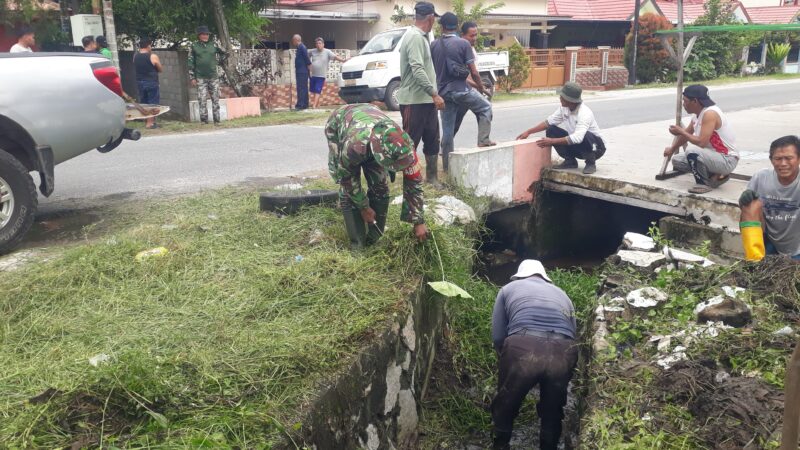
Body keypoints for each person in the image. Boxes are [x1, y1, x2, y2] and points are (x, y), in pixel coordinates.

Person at [491, 259, 578, 450]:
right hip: (563, 351)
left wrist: (507, 362)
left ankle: (501, 444)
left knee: (507, 401)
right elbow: (573, 333)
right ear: (544, 277)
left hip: (523, 347)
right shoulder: (563, 294)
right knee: (552, 409)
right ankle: (549, 445)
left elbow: (498, 336)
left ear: (520, 275)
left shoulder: (508, 289)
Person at [325, 104, 428, 249]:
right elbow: (347, 178)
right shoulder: (354, 147)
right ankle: (357, 244)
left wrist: (418, 220)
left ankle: (374, 239)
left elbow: (414, 183)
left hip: (374, 128)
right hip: (340, 122)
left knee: (380, 186)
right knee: (348, 192)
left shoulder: (405, 148)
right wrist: (364, 207)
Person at [430, 13, 492, 173]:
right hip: (460, 90)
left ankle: (446, 168)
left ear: (441, 27)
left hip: (443, 93)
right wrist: (481, 87)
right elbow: (474, 73)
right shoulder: (463, 44)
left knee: (448, 132)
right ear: (457, 27)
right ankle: (484, 140)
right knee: (485, 107)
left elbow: (432, 71)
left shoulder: (434, 45)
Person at [397, 2, 446, 184]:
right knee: (410, 143)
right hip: (414, 100)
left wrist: (432, 96)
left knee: (433, 139)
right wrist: (434, 93)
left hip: (426, 100)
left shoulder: (422, 36)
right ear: (431, 17)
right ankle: (409, 183)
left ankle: (431, 179)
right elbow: (417, 69)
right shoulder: (415, 37)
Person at [664, 84, 738, 194]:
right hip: (711, 157)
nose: (684, 105)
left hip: (726, 159)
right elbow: (686, 135)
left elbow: (701, 142)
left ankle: (703, 184)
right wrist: (672, 148)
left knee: (692, 151)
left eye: (685, 101)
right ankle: (716, 177)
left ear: (695, 101)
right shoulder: (696, 115)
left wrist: (680, 131)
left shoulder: (710, 114)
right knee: (677, 160)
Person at [516, 82, 605, 174]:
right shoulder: (564, 108)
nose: (560, 98)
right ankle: (570, 161)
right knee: (551, 130)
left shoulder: (584, 113)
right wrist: (529, 132)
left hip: (596, 148)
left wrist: (551, 141)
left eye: (562, 97)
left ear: (569, 100)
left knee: (584, 135)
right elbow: (548, 122)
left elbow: (578, 138)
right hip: (578, 146)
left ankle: (591, 163)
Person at [739, 135, 800, 262]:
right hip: (769, 241)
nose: (783, 163)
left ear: (798, 159)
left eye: (789, 158)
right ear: (771, 160)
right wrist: (743, 200)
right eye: (778, 158)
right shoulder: (761, 177)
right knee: (750, 204)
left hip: (796, 247)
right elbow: (746, 211)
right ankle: (755, 261)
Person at [189, 26, 227, 125]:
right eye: (203, 34)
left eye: (207, 34)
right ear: (199, 35)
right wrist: (192, 77)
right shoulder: (194, 46)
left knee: (215, 98)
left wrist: (219, 61)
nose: (206, 36)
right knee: (202, 99)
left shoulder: (214, 44)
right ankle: (204, 120)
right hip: (200, 77)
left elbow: (225, 53)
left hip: (213, 76)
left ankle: (217, 120)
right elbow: (190, 62)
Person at [309, 37, 348, 109]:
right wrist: (308, 64)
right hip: (313, 74)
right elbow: (306, 55)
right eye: (317, 43)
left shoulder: (327, 52)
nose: (318, 45)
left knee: (317, 90)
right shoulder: (313, 51)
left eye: (320, 43)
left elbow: (335, 57)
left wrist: (343, 60)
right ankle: (317, 105)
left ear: (323, 44)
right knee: (314, 90)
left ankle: (314, 106)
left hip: (321, 75)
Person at [134, 37, 163, 129]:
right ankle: (150, 123)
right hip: (151, 82)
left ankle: (147, 121)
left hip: (140, 82)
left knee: (144, 102)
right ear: (148, 46)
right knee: (153, 102)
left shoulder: (135, 56)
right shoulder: (152, 56)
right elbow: (160, 69)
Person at [292, 34, 312, 110]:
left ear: (296, 40)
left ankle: (301, 105)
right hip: (300, 71)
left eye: (293, 40)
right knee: (303, 88)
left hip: (302, 72)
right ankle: (304, 104)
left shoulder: (302, 47)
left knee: (301, 88)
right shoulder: (299, 47)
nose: (292, 42)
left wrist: (309, 68)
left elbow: (306, 58)